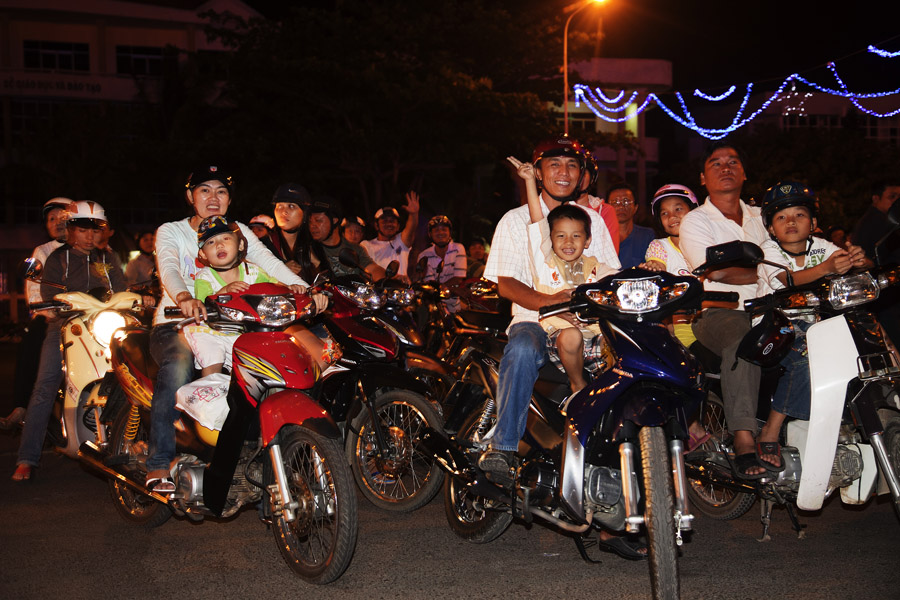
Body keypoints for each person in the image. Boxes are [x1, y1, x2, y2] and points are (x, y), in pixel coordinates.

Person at [145, 165, 309, 493]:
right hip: (178, 323)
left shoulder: (239, 231)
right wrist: (184, 298)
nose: (213, 197)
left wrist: (306, 290)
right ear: (190, 197)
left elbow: (270, 264)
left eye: (221, 191)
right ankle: (158, 461)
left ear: (230, 199)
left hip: (234, 325)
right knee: (178, 365)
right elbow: (170, 267)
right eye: (204, 190)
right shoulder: (172, 231)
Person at [478, 135, 619, 479]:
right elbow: (506, 284)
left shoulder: (593, 221)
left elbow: (608, 274)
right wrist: (549, 302)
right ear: (538, 173)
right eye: (554, 164)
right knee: (523, 347)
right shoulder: (514, 221)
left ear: (582, 175)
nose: (564, 172)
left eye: (572, 165)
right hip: (535, 320)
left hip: (587, 323)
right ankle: (504, 448)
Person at [754, 181, 871, 469]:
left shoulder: (823, 246)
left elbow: (857, 264)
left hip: (818, 323)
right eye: (781, 217)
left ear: (814, 223)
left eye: (799, 214)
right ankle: (770, 429)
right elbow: (789, 281)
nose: (790, 221)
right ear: (770, 228)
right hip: (773, 326)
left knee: (862, 339)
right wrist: (829, 268)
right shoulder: (767, 250)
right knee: (806, 352)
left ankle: (846, 418)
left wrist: (858, 260)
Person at [12, 201, 127, 481]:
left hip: (102, 324)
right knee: (46, 383)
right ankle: (27, 457)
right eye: (83, 229)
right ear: (71, 230)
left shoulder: (108, 258)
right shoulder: (57, 259)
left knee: (132, 371)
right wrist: (50, 307)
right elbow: (47, 296)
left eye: (95, 229)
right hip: (65, 325)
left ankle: (131, 445)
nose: (90, 236)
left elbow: (122, 289)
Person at [679, 142, 770, 478]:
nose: (726, 167)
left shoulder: (764, 217)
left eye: (733, 161)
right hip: (719, 312)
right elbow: (714, 273)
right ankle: (743, 438)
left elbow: (790, 256)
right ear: (703, 178)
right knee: (744, 339)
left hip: (772, 308)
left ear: (744, 172)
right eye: (716, 163)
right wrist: (771, 271)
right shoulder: (696, 221)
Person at [181, 216, 331, 376]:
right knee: (212, 355)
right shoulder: (204, 278)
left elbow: (275, 285)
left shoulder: (252, 271)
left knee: (281, 350)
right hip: (216, 332)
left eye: (225, 238)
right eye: (210, 242)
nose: (219, 245)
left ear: (240, 245)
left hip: (251, 331)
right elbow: (203, 303)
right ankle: (210, 388)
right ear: (202, 254)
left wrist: (292, 288)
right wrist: (224, 291)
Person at [510, 156, 610, 395]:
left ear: (587, 241)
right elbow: (538, 222)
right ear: (551, 240)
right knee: (571, 336)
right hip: (562, 336)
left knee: (620, 340)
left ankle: (611, 393)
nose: (568, 242)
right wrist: (530, 183)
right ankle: (578, 384)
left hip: (595, 336)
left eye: (576, 236)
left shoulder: (596, 266)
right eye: (560, 236)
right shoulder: (545, 260)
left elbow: (618, 279)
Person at [1, 198, 71, 430]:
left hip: (91, 316)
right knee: (31, 341)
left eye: (62, 217)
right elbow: (33, 288)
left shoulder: (92, 248)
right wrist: (48, 311)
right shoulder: (43, 251)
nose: (57, 223)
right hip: (53, 317)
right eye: (51, 219)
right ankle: (20, 406)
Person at [306, 196, 386, 280]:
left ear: (334, 220)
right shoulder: (308, 250)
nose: (312, 226)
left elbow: (374, 269)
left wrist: (383, 281)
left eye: (318, 220)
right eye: (310, 222)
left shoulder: (356, 249)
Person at [360, 191, 420, 281]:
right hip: (378, 292)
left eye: (392, 221)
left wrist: (413, 214)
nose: (389, 224)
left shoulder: (402, 241)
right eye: (384, 221)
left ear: (398, 226)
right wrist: (392, 279)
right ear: (376, 225)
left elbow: (411, 229)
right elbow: (365, 271)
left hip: (402, 292)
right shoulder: (366, 245)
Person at [575, 149, 620, 253]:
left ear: (592, 178)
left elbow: (611, 257)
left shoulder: (604, 211)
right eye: (574, 170)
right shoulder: (553, 206)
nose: (578, 177)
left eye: (583, 172)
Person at [268, 182, 313, 279]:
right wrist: (279, 271)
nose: (284, 212)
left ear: (304, 213)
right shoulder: (264, 244)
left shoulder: (315, 246)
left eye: (291, 206)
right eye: (279, 206)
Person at [850, 180, 900, 261]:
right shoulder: (876, 222)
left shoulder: (882, 219)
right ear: (876, 199)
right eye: (892, 197)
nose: (897, 201)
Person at [610, 182, 654, 269]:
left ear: (635, 208)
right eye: (615, 202)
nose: (621, 206)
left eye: (626, 201)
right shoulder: (601, 236)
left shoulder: (648, 236)